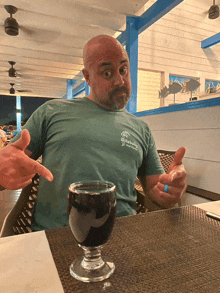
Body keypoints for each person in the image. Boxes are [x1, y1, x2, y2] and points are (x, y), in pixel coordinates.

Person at [0, 35, 187, 231]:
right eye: (107, 73)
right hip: (56, 237)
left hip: (124, 238)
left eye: (123, 69)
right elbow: (11, 161)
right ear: (87, 77)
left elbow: (156, 191)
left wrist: (170, 189)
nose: (120, 80)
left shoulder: (142, 129)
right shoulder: (51, 112)